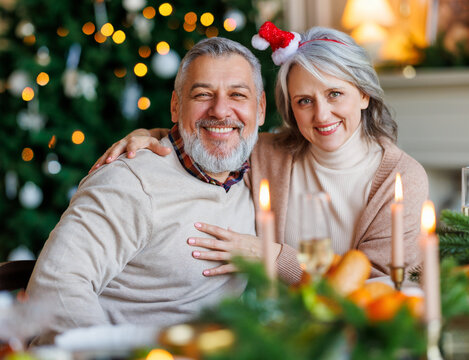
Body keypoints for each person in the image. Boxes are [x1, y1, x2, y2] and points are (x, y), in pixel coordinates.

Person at [92, 23, 429, 285]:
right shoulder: (266, 154)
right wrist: (150, 135)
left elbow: (382, 281)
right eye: (304, 101)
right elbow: (210, 133)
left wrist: (272, 256)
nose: (322, 115)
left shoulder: (401, 177)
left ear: (365, 95)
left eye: (335, 94)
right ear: (289, 108)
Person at [26, 37, 267, 342]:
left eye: (237, 94)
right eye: (203, 94)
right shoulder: (131, 183)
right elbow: (55, 287)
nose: (220, 110)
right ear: (176, 106)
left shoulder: (260, 169)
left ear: (260, 108)